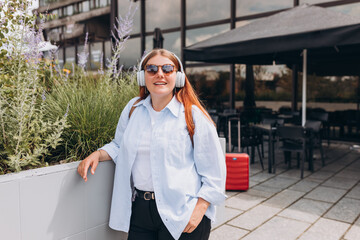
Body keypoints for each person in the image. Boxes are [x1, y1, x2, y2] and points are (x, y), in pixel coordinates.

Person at [77, 49, 226, 240]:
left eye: (167, 69)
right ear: (142, 76)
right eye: (152, 69)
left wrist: (199, 210)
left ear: (178, 77)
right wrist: (97, 154)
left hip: (182, 210)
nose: (159, 74)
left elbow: (215, 172)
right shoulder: (133, 109)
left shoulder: (193, 116)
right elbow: (119, 145)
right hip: (140, 210)